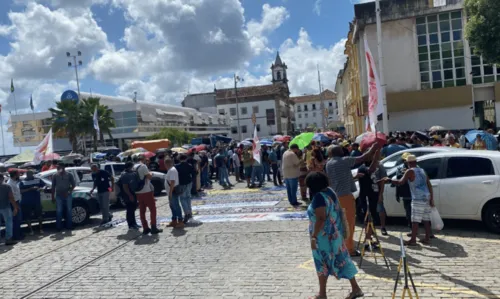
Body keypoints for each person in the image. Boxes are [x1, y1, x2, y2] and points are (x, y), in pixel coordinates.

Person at [306, 171, 364, 299]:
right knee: (343, 260)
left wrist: (314, 237)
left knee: (321, 263)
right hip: (335, 235)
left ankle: (322, 294)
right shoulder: (330, 192)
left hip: (323, 238)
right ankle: (356, 288)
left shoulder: (319, 198)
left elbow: (321, 218)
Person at [325, 144, 377, 257]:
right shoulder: (344, 161)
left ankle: (338, 246)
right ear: (341, 152)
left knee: (338, 223)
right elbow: (363, 157)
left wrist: (353, 177)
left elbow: (338, 178)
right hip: (346, 197)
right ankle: (349, 249)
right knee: (349, 224)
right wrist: (374, 147)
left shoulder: (329, 164)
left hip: (334, 196)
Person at [386, 154, 434, 246]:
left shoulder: (409, 171)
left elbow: (400, 182)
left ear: (408, 163)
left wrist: (389, 180)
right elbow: (429, 184)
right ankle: (427, 238)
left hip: (417, 198)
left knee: (415, 220)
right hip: (426, 196)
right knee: (426, 219)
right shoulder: (422, 170)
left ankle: (413, 240)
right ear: (415, 162)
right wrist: (431, 198)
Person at [357, 150, 388, 239]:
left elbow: (379, 181)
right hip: (366, 197)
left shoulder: (379, 166)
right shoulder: (362, 168)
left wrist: (380, 194)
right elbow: (370, 170)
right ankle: (368, 238)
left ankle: (371, 234)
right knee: (368, 217)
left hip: (374, 195)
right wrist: (377, 152)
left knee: (373, 215)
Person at [136, 155, 162, 235]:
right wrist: (150, 173)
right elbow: (149, 177)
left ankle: (145, 228)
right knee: (152, 209)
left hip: (138, 192)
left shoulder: (134, 166)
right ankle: (153, 227)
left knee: (142, 211)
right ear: (143, 159)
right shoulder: (143, 166)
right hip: (146, 191)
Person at [51, 163, 76, 231]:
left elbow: (73, 185)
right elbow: (53, 187)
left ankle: (69, 226)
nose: (58, 169)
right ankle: (58, 227)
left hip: (67, 195)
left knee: (69, 210)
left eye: (59, 167)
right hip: (59, 195)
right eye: (57, 168)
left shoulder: (69, 175)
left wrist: (68, 192)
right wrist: (52, 197)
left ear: (63, 167)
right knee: (59, 211)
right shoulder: (55, 175)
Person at [19, 170, 45, 235]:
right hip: (27, 201)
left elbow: (44, 185)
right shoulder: (23, 182)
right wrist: (30, 189)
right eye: (28, 174)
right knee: (27, 217)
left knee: (39, 215)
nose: (30, 176)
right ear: (27, 175)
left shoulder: (38, 180)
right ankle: (31, 230)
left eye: (31, 174)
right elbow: (21, 191)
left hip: (36, 200)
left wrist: (41, 188)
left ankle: (41, 229)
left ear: (32, 174)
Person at [119, 162, 140, 230]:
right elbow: (125, 187)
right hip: (127, 194)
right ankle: (130, 225)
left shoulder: (133, 173)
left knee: (133, 209)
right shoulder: (124, 175)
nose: (133, 168)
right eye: (132, 166)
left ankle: (134, 223)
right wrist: (130, 195)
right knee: (129, 210)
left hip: (133, 193)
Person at [175, 154, 195, 225]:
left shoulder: (177, 166)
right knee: (188, 198)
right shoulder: (189, 165)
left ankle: (187, 213)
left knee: (182, 199)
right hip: (189, 183)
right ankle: (190, 212)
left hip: (181, 184)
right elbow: (194, 173)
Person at [0, 174, 19, 245]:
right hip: (5, 207)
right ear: (2, 179)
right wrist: (15, 207)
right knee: (8, 223)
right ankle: (8, 239)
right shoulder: (7, 186)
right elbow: (11, 197)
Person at [165, 158, 182, 228]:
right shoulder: (171, 170)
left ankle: (180, 221)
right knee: (172, 206)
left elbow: (172, 182)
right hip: (171, 191)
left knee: (176, 206)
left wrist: (170, 193)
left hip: (173, 191)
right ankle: (174, 220)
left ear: (166, 164)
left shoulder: (172, 170)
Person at [7, 170, 23, 240]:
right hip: (14, 203)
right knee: (16, 219)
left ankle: (19, 233)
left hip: (17, 201)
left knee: (18, 219)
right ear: (15, 175)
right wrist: (15, 207)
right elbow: (11, 196)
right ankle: (16, 236)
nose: (19, 175)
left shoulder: (14, 182)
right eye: (18, 174)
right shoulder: (10, 183)